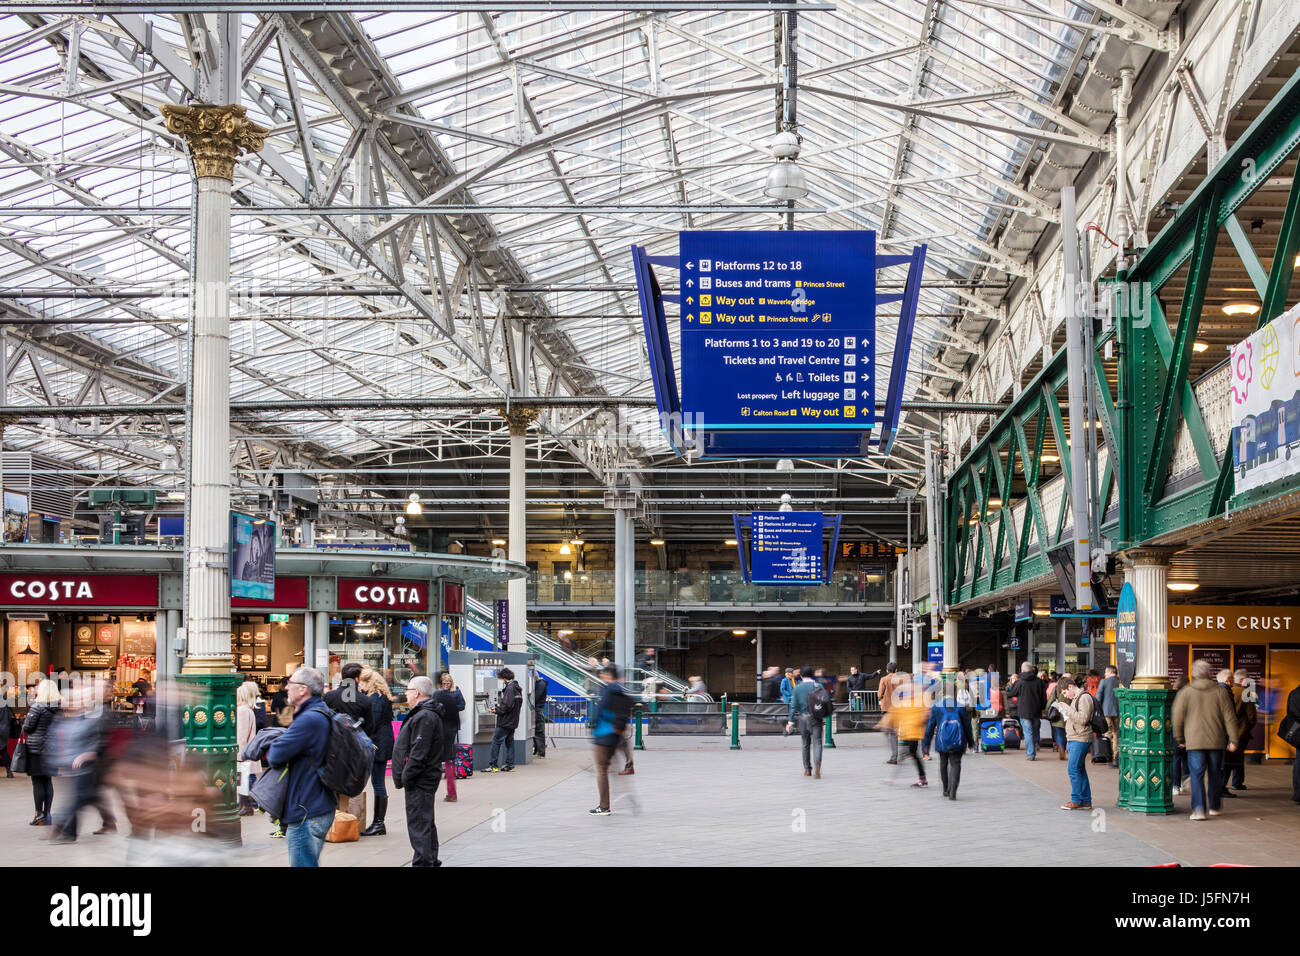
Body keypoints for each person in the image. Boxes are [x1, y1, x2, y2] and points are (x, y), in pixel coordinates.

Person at [265, 667, 336, 867]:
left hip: (306, 808)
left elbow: (275, 755)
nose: (286, 687)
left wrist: (276, 744)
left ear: (303, 689)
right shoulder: (319, 712)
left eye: (291, 683)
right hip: (317, 804)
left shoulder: (308, 719)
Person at [1172, 659, 1241, 821]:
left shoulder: (1185, 692)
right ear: (1209, 674)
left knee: (1196, 775)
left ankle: (1199, 809)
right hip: (1216, 741)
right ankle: (1215, 806)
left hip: (1194, 742)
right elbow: (1230, 718)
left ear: (1194, 674)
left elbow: (1177, 718)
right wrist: (1233, 739)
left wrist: (1180, 738)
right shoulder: (1220, 692)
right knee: (1215, 774)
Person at [392, 675, 445, 867]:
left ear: (417, 693)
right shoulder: (425, 713)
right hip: (423, 777)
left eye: (407, 690)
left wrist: (407, 776)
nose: (405, 694)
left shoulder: (425, 716)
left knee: (419, 823)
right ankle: (430, 859)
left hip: (420, 779)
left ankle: (424, 862)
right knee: (425, 821)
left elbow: (418, 752)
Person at [589, 664, 633, 815]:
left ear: (607, 675)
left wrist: (592, 724)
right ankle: (623, 792)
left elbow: (601, 709)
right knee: (610, 767)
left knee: (601, 771)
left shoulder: (607, 689)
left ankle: (604, 806)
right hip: (616, 734)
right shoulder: (620, 690)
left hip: (603, 734)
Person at [359, 669, 395, 836]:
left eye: (362, 683)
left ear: (369, 682)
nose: (360, 686)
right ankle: (379, 823)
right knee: (378, 781)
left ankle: (379, 823)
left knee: (378, 782)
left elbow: (372, 724)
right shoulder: (383, 696)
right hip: (384, 741)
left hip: (378, 743)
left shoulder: (374, 699)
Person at [922, 687, 975, 800]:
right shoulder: (961, 707)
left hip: (942, 742)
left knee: (943, 763)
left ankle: (946, 789)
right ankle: (953, 792)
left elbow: (930, 727)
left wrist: (925, 745)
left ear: (943, 693)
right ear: (955, 693)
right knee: (956, 764)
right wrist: (971, 743)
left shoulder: (937, 707)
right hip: (958, 742)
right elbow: (967, 727)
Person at [22, 678, 60, 826]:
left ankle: (39, 815)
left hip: (36, 748)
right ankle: (48, 814)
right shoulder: (57, 708)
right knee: (48, 781)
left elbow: (28, 728)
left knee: (37, 782)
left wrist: (25, 721)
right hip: (52, 749)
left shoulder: (37, 707)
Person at [1053, 676, 1095, 810]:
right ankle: (1086, 800)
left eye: (1065, 693)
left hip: (1080, 738)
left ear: (1070, 687)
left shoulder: (1084, 698)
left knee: (1073, 769)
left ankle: (1076, 799)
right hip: (1075, 737)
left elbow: (1083, 719)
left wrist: (1068, 709)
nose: (1066, 696)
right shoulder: (1077, 698)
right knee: (1080, 769)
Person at [784, 666, 825, 778]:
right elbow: (824, 702)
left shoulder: (797, 688)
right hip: (816, 718)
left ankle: (807, 769)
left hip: (803, 718)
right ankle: (818, 765)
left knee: (805, 744)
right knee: (817, 743)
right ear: (812, 675)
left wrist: (790, 722)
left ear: (801, 675)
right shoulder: (819, 686)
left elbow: (793, 706)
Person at [891, 675, 929, 788]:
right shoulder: (910, 696)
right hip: (909, 731)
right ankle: (922, 778)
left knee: (914, 755)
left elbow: (921, 714)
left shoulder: (916, 697)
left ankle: (923, 779)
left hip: (913, 732)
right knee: (913, 754)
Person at [433, 672, 465, 802]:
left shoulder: (445, 694)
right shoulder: (452, 694)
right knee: (449, 758)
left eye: (448, 683)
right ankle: (451, 790)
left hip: (444, 728)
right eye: (444, 683)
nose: (446, 685)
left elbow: (462, 705)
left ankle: (449, 792)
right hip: (451, 727)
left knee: (443, 757)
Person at [324, 661, 377, 739]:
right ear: (356, 679)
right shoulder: (364, 699)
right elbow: (369, 728)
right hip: (355, 745)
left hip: (333, 743)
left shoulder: (329, 696)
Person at [1006, 663, 1046, 761]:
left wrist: (1008, 690)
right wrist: (1042, 708)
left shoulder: (1019, 682)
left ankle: (1031, 754)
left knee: (1028, 733)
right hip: (1036, 711)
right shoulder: (1040, 682)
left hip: (1024, 711)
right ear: (1032, 669)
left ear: (1022, 670)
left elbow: (1011, 694)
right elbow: (1043, 698)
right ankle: (1035, 744)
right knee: (1035, 730)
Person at [1225, 669, 1257, 792]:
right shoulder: (1246, 693)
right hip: (1240, 731)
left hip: (1226, 731)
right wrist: (1248, 727)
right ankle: (1237, 782)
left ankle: (1224, 784)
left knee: (1227, 758)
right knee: (1238, 758)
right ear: (1242, 680)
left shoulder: (1227, 691)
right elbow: (1251, 716)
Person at [488, 667, 522, 772]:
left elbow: (506, 705)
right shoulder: (517, 688)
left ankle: (493, 766)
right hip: (513, 721)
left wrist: (496, 710)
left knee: (496, 742)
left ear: (504, 678)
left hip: (505, 721)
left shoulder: (510, 689)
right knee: (509, 742)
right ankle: (510, 765)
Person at [235, 681, 261, 816]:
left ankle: (246, 804)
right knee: (246, 778)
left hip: (244, 752)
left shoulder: (241, 711)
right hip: (249, 751)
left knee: (243, 779)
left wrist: (239, 753)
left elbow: (241, 734)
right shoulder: (248, 710)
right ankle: (247, 804)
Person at [877, 662, 907, 764]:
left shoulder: (884, 679)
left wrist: (882, 698)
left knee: (888, 731)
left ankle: (894, 756)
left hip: (887, 709)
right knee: (894, 734)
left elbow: (879, 694)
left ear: (886, 670)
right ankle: (895, 756)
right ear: (896, 670)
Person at [1097, 665, 1120, 767]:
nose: (1105, 674)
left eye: (1106, 672)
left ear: (1110, 672)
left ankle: (1108, 756)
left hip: (1106, 712)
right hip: (1119, 712)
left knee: (1107, 733)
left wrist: (1097, 711)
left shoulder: (1104, 682)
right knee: (1116, 734)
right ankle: (1116, 757)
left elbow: (1098, 697)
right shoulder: (1121, 682)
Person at [1171, 674, 1190, 794]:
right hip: (1189, 731)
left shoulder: (1172, 696)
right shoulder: (1190, 696)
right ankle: (1186, 782)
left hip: (1175, 731)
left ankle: (1175, 786)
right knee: (1186, 758)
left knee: (1176, 759)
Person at [1046, 673, 1071, 760]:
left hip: (1058, 713)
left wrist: (1047, 711)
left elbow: (1051, 699)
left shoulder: (1057, 688)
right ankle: (1068, 748)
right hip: (1070, 715)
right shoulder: (1074, 689)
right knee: (1068, 733)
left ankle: (1061, 747)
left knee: (1058, 732)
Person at [1288, 681, 1300, 805]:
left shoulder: (1294, 693)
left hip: (1297, 731)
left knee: (1299, 762)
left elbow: (1289, 713)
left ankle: (1298, 794)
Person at [533, 672, 549, 758]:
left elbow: (535, 697)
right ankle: (537, 751)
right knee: (537, 731)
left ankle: (541, 752)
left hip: (538, 710)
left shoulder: (540, 685)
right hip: (538, 709)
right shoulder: (541, 684)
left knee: (539, 731)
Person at [0, 689, 12, 778]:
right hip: (4, 729)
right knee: (3, 750)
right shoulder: (4, 701)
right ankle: (9, 771)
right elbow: (8, 717)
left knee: (3, 751)